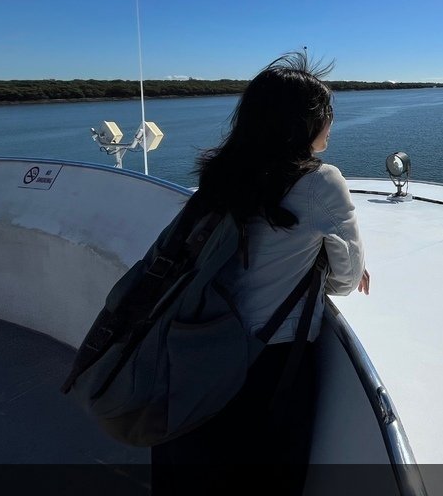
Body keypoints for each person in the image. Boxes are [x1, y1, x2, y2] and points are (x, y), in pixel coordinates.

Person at [150, 51, 368, 495]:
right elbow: (347, 282)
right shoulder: (321, 182)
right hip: (268, 362)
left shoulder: (222, 175)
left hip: (198, 346)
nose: (332, 123)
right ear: (306, 123)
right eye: (328, 113)